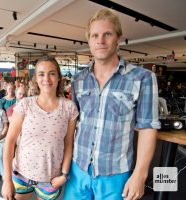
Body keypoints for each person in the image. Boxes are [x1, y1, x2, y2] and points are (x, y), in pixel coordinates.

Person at [63, 9, 161, 200]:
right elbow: (72, 125)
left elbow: (148, 128)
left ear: (118, 39)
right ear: (89, 41)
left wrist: (140, 175)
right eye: (95, 35)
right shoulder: (78, 80)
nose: (100, 41)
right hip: (78, 169)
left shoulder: (143, 78)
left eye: (107, 34)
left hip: (115, 174)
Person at [1, 56, 78, 200]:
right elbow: (10, 142)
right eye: (41, 74)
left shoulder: (69, 108)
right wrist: (6, 180)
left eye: (52, 73)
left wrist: (64, 174)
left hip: (51, 179)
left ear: (59, 77)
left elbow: (69, 144)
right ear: (36, 78)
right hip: (21, 175)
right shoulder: (25, 105)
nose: (46, 78)